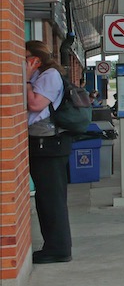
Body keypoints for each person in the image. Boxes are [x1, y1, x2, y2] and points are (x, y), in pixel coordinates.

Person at [25, 40, 73, 264]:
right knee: (46, 199)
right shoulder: (41, 76)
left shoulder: (49, 76)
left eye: (25, 58)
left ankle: (58, 249)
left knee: (51, 199)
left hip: (50, 144)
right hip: (42, 143)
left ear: (36, 59)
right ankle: (54, 246)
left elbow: (35, 104)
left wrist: (25, 78)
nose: (22, 63)